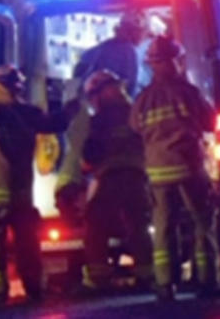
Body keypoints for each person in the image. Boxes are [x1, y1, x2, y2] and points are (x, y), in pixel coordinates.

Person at [0, 65, 79, 304]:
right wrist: (71, 108)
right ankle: (34, 289)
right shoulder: (28, 114)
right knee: (27, 243)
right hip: (21, 196)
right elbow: (57, 124)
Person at [130, 36, 220, 301]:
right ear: (173, 61)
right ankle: (207, 282)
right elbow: (210, 123)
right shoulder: (188, 91)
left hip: (157, 172)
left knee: (163, 227)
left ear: (152, 64)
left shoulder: (143, 99)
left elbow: (135, 128)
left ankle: (165, 284)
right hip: (189, 168)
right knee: (202, 223)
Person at [55, 10, 149, 221]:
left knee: (77, 153)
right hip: (105, 112)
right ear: (136, 32)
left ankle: (68, 194)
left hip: (81, 110)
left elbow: (77, 75)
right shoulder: (129, 52)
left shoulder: (97, 49)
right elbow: (130, 88)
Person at [80, 69, 154, 292]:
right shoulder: (135, 113)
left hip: (111, 176)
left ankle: (98, 277)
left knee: (95, 222)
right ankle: (147, 275)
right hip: (140, 177)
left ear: (99, 94)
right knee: (139, 225)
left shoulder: (99, 120)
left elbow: (90, 155)